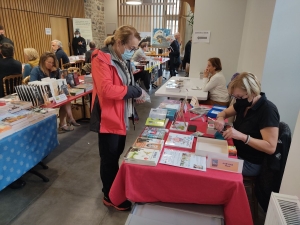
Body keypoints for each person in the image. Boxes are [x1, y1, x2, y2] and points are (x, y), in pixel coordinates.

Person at [90, 25, 144, 211]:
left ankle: (115, 190)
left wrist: (136, 93)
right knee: (109, 158)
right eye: (131, 48)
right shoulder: (101, 58)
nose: (133, 52)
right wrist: (133, 91)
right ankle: (109, 196)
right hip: (108, 118)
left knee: (116, 155)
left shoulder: (121, 58)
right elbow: (106, 89)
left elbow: (125, 83)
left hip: (120, 115)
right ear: (119, 43)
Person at [214, 72, 280, 176]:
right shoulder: (244, 103)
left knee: (212, 165)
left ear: (253, 92)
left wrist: (242, 137)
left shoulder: (268, 111)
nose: (237, 100)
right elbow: (225, 112)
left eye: (239, 97)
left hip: (250, 162)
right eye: (235, 97)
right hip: (235, 150)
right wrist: (221, 118)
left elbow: (271, 147)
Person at [30, 52, 80, 132]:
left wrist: (58, 72)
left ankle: (67, 120)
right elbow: (32, 84)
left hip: (54, 95)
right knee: (64, 98)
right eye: (49, 62)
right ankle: (67, 121)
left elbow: (61, 82)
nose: (51, 64)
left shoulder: (54, 69)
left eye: (52, 62)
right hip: (42, 98)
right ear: (43, 62)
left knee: (65, 97)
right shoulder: (36, 70)